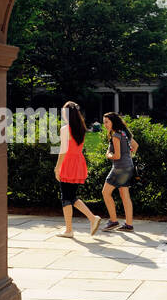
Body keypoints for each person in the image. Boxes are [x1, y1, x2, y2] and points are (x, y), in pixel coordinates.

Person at [54, 100, 101, 238]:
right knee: (70, 197)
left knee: (66, 197)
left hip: (68, 163)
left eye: (63, 111)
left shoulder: (65, 129)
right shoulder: (81, 128)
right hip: (78, 162)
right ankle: (89, 220)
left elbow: (63, 150)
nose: (62, 113)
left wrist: (57, 168)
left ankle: (73, 228)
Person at [101, 111, 139, 231]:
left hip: (119, 169)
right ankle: (129, 224)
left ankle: (113, 221)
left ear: (113, 121)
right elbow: (136, 146)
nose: (105, 125)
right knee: (125, 196)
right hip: (128, 167)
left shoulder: (116, 135)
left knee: (105, 193)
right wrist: (129, 154)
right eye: (104, 123)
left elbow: (116, 156)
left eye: (107, 122)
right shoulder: (124, 132)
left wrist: (108, 155)